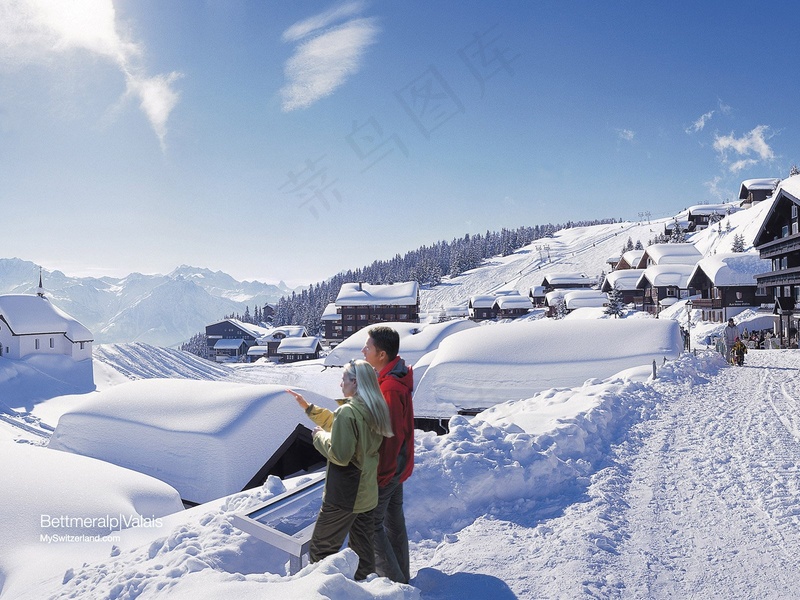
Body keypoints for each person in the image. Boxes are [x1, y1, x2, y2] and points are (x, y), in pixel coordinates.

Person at [287, 359, 393, 580]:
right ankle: (364, 588)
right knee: (362, 550)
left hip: (346, 494)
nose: (340, 384)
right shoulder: (373, 408)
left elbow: (340, 454)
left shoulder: (349, 412)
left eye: (343, 379)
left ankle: (323, 590)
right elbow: (341, 425)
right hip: (366, 492)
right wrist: (309, 408)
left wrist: (318, 437)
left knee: (321, 549)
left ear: (355, 382)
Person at [361, 326, 414, 584]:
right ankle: (401, 580)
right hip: (398, 465)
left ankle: (393, 585)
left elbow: (391, 434)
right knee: (393, 522)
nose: (363, 351)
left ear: (381, 354)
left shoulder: (391, 387)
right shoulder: (392, 378)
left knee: (370, 524)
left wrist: (383, 472)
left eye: (367, 347)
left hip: (389, 467)